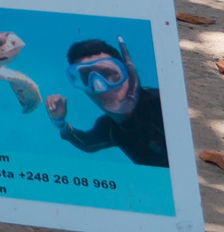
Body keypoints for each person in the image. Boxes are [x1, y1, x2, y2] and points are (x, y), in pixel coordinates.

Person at [45, 39, 170, 167]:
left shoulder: (164, 105)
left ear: (127, 72)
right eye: (86, 78)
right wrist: (59, 121)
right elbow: (87, 144)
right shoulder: (110, 128)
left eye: (108, 73)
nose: (99, 87)